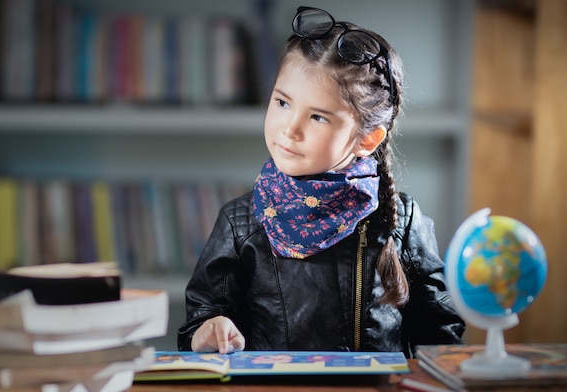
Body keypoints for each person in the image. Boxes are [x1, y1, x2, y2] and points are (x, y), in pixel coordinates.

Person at [178, 6, 465, 357]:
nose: (290, 128)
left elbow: (440, 337)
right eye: (282, 102)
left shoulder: (401, 221)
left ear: (367, 140)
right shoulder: (241, 222)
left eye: (317, 116)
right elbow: (200, 320)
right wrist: (208, 331)